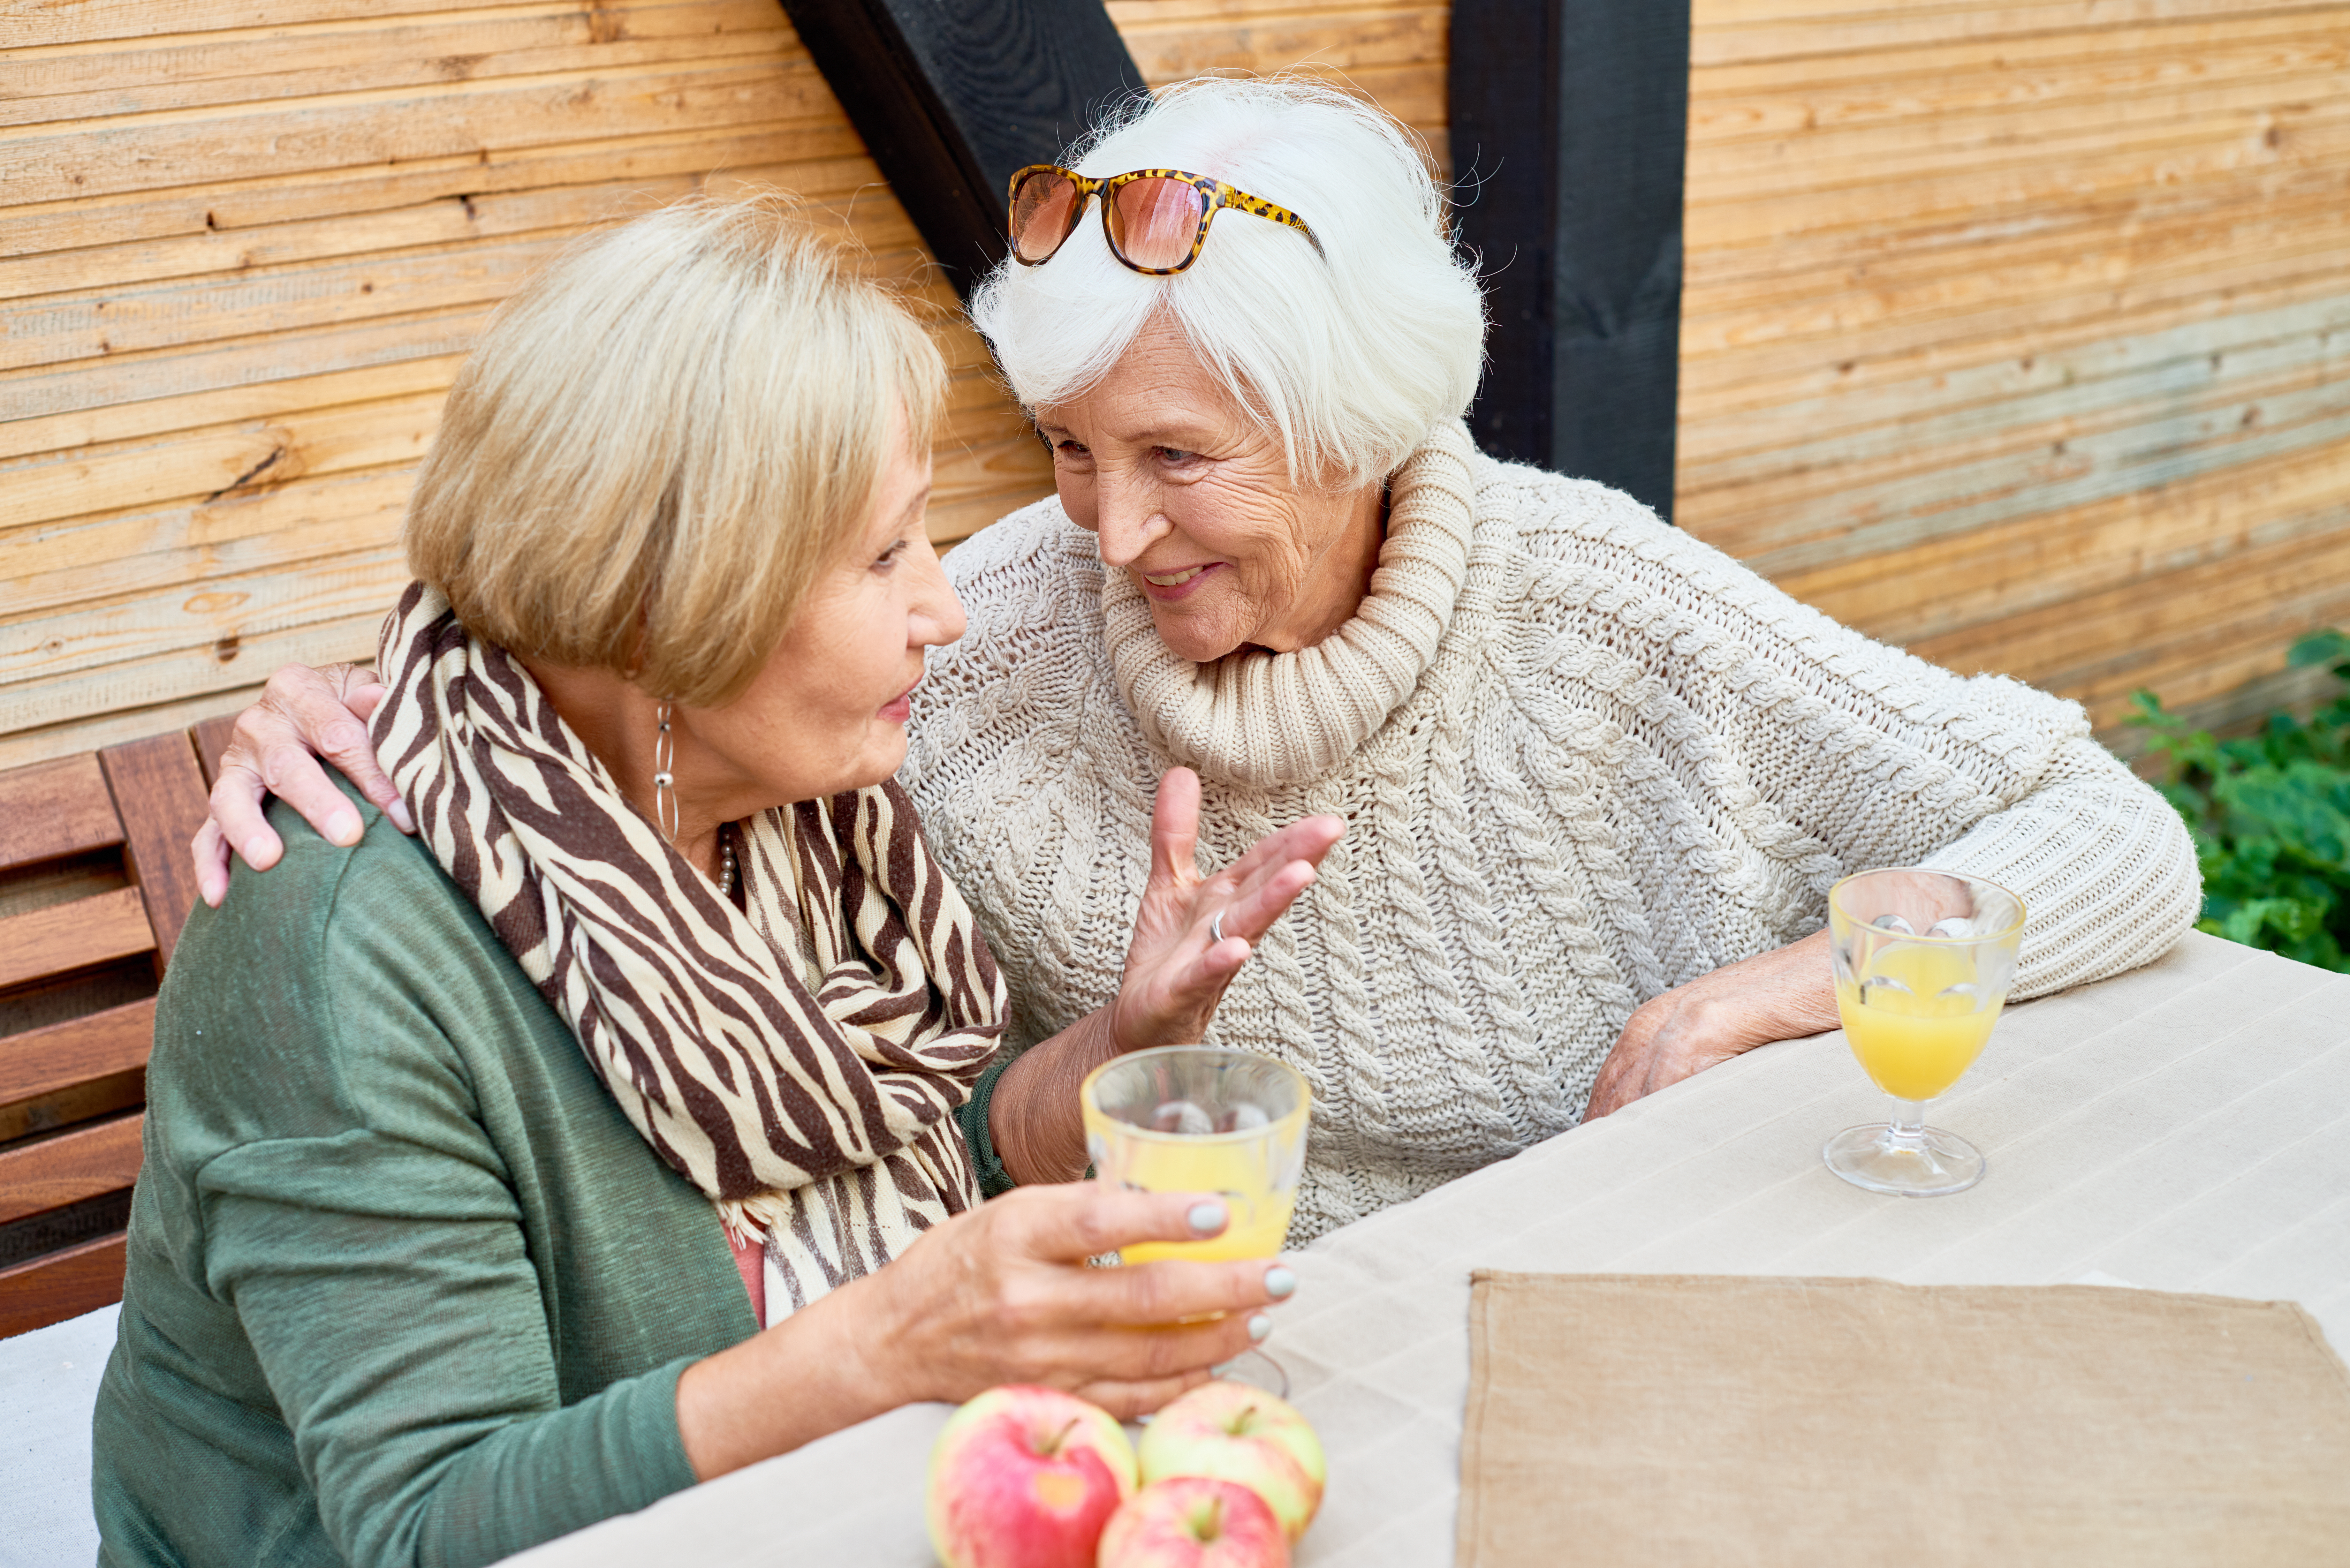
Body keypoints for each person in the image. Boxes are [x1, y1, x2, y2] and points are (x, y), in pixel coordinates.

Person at [195, 78, 2201, 1250]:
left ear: (1355, 428)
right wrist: (363, 703)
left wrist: (1758, 1002)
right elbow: (647, 625)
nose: (1107, 536)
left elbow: (2106, 830)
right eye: (1070, 451)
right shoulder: (967, 637)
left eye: (1179, 458)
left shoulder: (1602, 610)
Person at [97, 196, 1341, 1568]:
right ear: (669, 601)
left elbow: (938, 1147)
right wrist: (877, 1343)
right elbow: (427, 1527)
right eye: (883, 555)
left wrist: (1128, 1039)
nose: (946, 607)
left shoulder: (798, 814)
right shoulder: (341, 947)